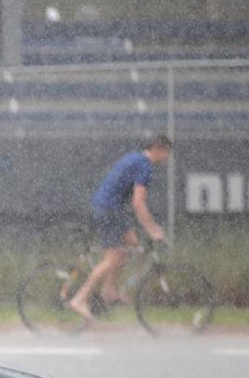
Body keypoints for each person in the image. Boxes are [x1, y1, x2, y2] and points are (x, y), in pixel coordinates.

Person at [66, 135, 173, 322]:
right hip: (109, 210)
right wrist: (153, 229)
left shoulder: (136, 158)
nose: (167, 158)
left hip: (112, 209)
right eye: (167, 153)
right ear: (157, 148)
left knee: (131, 245)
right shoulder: (144, 166)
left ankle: (109, 290)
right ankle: (79, 299)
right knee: (114, 257)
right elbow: (138, 203)